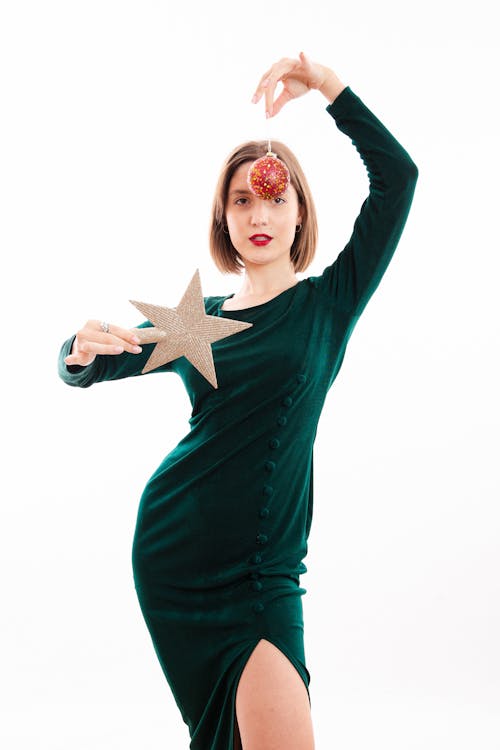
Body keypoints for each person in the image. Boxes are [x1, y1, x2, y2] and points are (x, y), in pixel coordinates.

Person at [58, 52, 418, 750]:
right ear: (223, 218)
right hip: (176, 558)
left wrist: (329, 88)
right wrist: (74, 349)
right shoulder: (196, 323)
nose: (261, 213)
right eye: (244, 199)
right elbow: (92, 365)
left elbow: (398, 179)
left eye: (277, 197)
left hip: (265, 576)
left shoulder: (329, 304)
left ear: (300, 213)